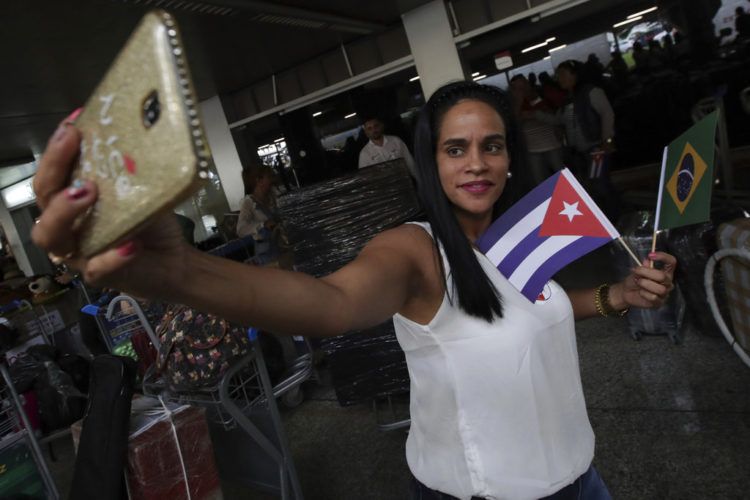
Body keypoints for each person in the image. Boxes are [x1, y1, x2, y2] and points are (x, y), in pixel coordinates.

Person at [32, 81, 676, 500]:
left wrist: (620, 297)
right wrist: (177, 272)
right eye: (456, 149)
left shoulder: (516, 238)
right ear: (431, 160)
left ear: (510, 157)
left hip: (583, 480)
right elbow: (331, 304)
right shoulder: (413, 250)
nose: (476, 163)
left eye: (491, 146)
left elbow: (541, 315)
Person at [554, 60, 618, 218]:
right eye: (558, 75)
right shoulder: (567, 99)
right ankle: (606, 217)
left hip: (596, 148)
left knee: (599, 185)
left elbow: (607, 114)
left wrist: (606, 140)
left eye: (563, 74)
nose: (559, 78)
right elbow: (559, 121)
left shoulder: (591, 92)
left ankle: (614, 217)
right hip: (580, 152)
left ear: (575, 75)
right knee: (591, 186)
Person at [509, 74, 565, 187]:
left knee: (563, 177)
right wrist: (519, 102)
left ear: (528, 84)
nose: (522, 90)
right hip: (532, 149)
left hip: (552, 144)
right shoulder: (513, 104)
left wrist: (535, 115)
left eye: (523, 86)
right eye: (517, 88)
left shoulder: (542, 95)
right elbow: (513, 124)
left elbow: (557, 119)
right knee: (541, 183)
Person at [236, 166, 289, 266]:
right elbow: (241, 230)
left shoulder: (273, 196)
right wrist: (262, 225)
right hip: (267, 256)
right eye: (269, 177)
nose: (272, 179)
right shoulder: (248, 203)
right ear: (259, 181)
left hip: (283, 249)